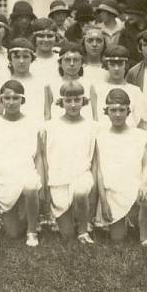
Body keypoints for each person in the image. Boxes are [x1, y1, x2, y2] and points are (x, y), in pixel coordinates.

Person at [0, 80, 44, 247]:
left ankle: (32, 231)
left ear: (22, 100)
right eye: (7, 98)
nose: (11, 102)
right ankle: (21, 212)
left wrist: (42, 183)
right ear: (1, 100)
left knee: (31, 186)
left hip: (26, 173)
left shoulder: (33, 123)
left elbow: (39, 156)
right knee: (12, 234)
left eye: (15, 98)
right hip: (4, 178)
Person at [95, 88, 147, 246]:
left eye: (122, 110)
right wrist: (103, 201)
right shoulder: (100, 136)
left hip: (134, 186)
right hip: (112, 191)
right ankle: (123, 220)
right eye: (113, 110)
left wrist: (143, 184)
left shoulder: (140, 135)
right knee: (117, 239)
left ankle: (144, 238)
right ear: (106, 112)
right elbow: (99, 172)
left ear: (128, 111)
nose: (118, 114)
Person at [42, 81, 97, 243]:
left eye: (77, 100)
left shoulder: (92, 126)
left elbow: (95, 159)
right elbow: (45, 158)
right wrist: (46, 185)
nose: (73, 105)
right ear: (61, 102)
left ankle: (83, 230)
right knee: (66, 235)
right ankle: (70, 218)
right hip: (58, 179)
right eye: (68, 101)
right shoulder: (50, 126)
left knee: (80, 193)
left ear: (83, 101)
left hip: (82, 176)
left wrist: (94, 190)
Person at [92, 45, 146, 128]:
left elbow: (138, 121)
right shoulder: (96, 88)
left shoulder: (135, 90)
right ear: (107, 65)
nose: (116, 68)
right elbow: (95, 119)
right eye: (112, 64)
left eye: (120, 64)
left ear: (126, 65)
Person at [45, 41, 93, 120]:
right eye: (67, 60)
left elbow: (94, 115)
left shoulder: (89, 85)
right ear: (60, 63)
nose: (71, 64)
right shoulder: (50, 85)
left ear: (82, 63)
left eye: (76, 60)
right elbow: (47, 115)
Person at [119, 0, 147, 65]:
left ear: (142, 14)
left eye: (132, 13)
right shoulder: (125, 33)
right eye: (127, 13)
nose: (128, 17)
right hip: (131, 71)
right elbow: (121, 55)